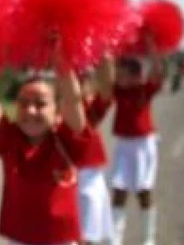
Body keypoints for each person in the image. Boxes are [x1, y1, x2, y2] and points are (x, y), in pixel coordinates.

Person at [0, 38, 94, 245]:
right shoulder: (9, 139)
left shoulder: (66, 140)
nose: (30, 111)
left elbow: (73, 98)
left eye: (40, 104)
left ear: (57, 111)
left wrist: (59, 58)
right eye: (24, 103)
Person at [108, 36, 164, 245]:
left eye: (124, 75)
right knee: (119, 190)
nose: (119, 78)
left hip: (143, 145)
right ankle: (115, 238)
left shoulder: (144, 90)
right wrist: (114, 46)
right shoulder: (118, 91)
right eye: (119, 74)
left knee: (143, 191)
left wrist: (151, 46)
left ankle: (148, 238)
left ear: (136, 76)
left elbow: (158, 70)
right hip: (123, 144)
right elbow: (107, 71)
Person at [75, 58, 115, 245]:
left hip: (87, 179)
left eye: (84, 79)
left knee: (86, 238)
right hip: (57, 179)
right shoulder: (49, 109)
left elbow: (107, 88)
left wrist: (104, 51)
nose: (80, 83)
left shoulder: (89, 109)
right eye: (77, 78)